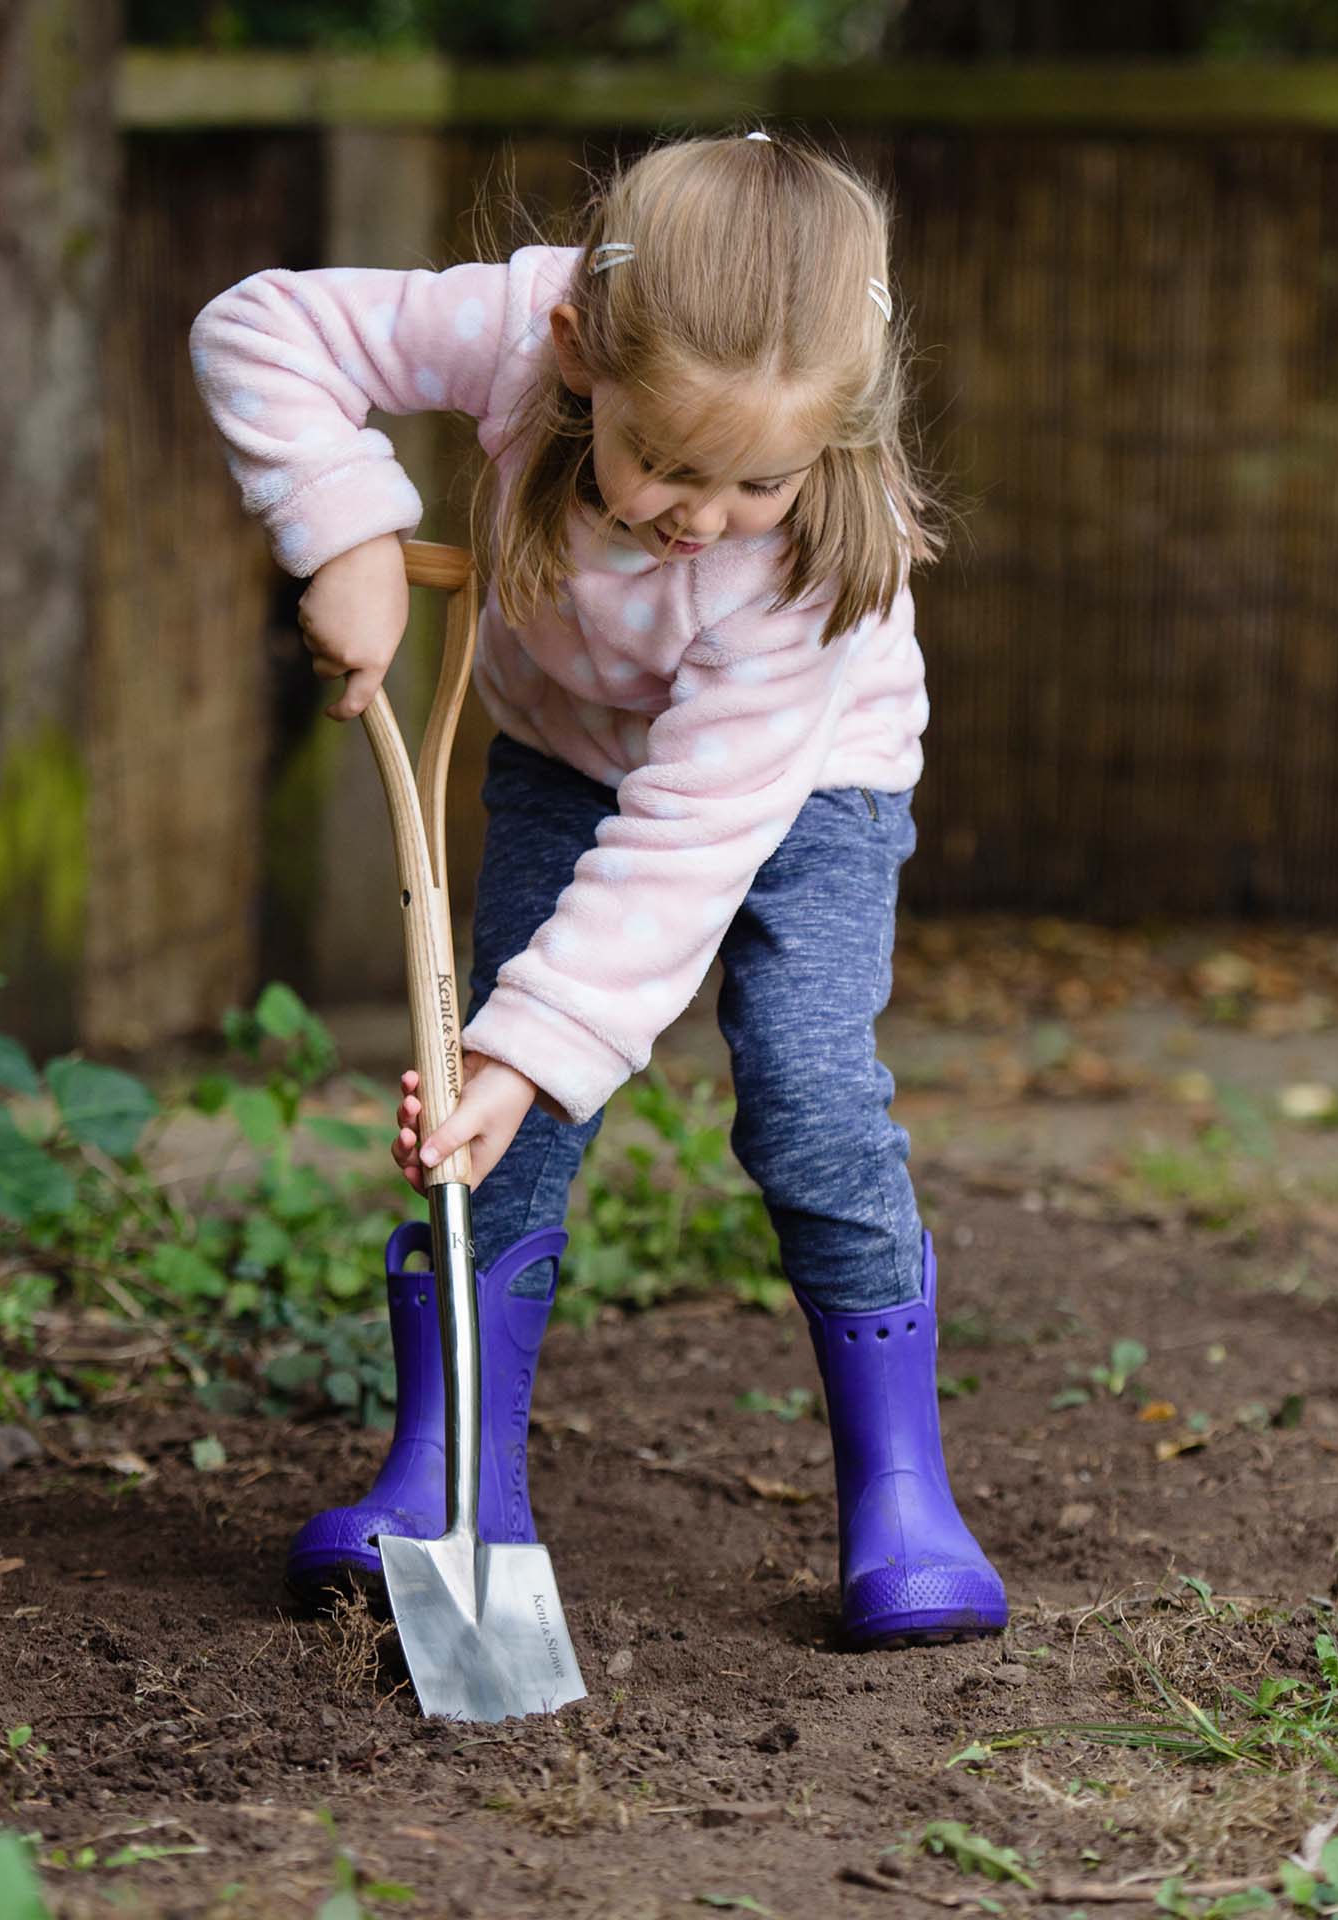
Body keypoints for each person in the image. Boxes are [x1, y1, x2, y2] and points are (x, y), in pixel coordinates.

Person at [191, 130, 1006, 1647]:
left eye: (758, 476)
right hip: (566, 754)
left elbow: (692, 843)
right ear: (578, 354)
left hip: (806, 782)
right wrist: (349, 533)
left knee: (809, 1092)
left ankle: (905, 1495)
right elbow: (264, 325)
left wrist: (536, 1045)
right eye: (668, 464)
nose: (701, 511)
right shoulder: (527, 322)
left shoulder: (810, 574)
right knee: (492, 1131)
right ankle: (452, 1486)